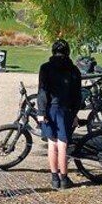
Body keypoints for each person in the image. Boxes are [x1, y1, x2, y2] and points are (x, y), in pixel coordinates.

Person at [37, 39, 82, 190]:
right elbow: (77, 95)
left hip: (50, 109)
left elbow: (42, 92)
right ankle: (64, 178)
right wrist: (75, 113)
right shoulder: (74, 70)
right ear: (68, 51)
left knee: (52, 143)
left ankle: (54, 178)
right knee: (63, 145)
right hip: (66, 109)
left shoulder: (45, 68)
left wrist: (41, 112)